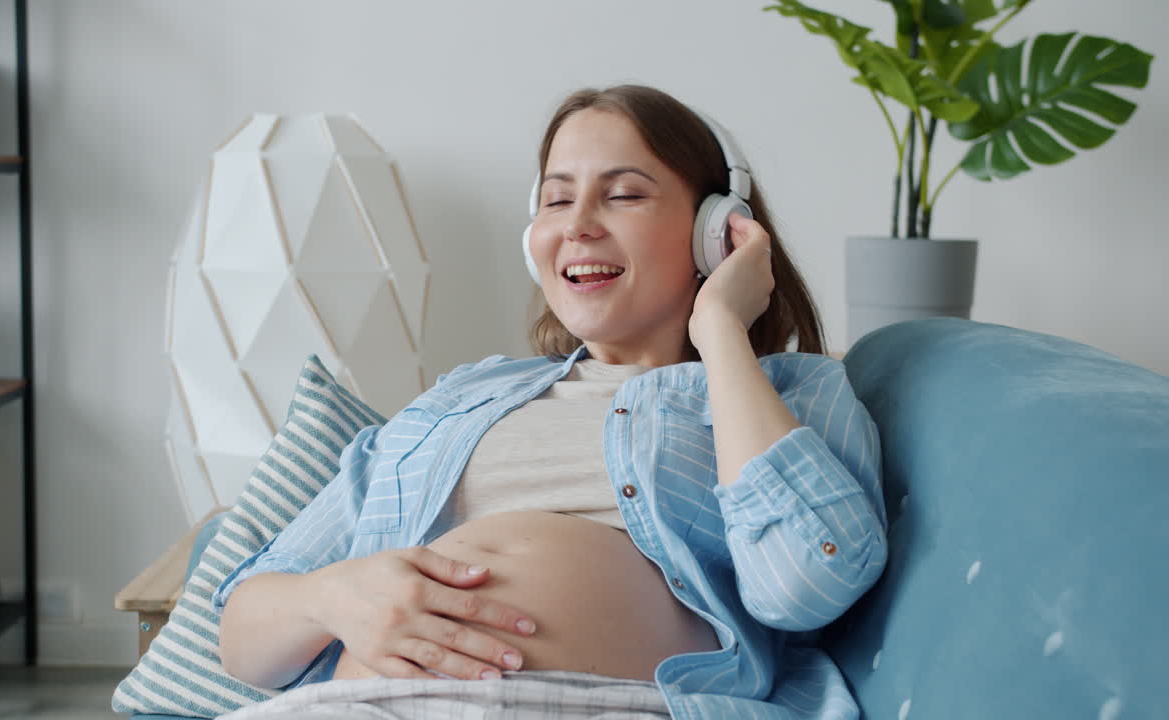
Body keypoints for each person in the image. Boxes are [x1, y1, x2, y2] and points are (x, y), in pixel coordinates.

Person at [212, 84, 887, 719]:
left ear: (718, 230)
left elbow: (806, 583)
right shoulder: (456, 402)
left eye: (622, 194)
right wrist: (331, 598)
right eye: (557, 200)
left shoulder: (791, 392)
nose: (579, 225)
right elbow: (244, 639)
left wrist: (720, 334)